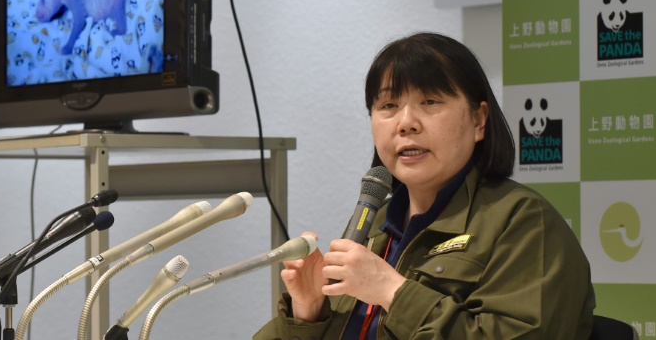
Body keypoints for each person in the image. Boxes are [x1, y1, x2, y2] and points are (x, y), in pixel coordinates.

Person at [254, 32, 595, 339]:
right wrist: (308, 312)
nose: (406, 124)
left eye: (430, 102)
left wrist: (392, 291)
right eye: (389, 106)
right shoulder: (376, 222)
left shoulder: (523, 221)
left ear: (478, 120)